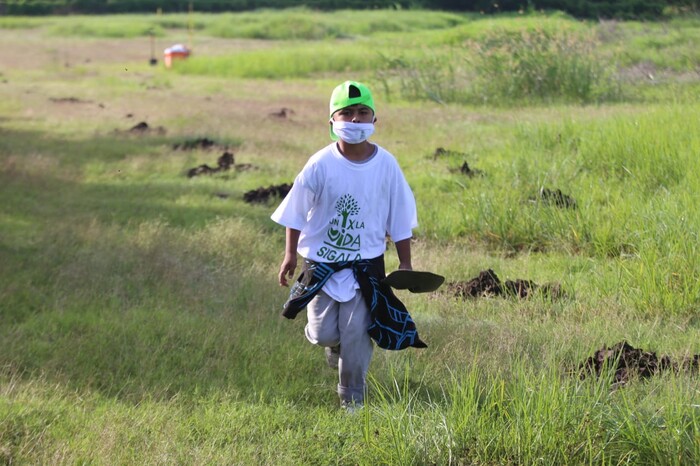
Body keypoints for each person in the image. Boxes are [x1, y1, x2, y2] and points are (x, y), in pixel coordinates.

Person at [271, 80, 425, 413]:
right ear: (332, 121)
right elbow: (295, 212)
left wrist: (406, 264)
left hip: (365, 267)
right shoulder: (320, 164)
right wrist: (289, 255)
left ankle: (352, 399)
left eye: (362, 112)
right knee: (324, 332)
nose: (355, 120)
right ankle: (333, 345)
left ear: (374, 119)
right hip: (322, 266)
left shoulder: (386, 166)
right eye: (346, 113)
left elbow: (399, 217)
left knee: (356, 331)